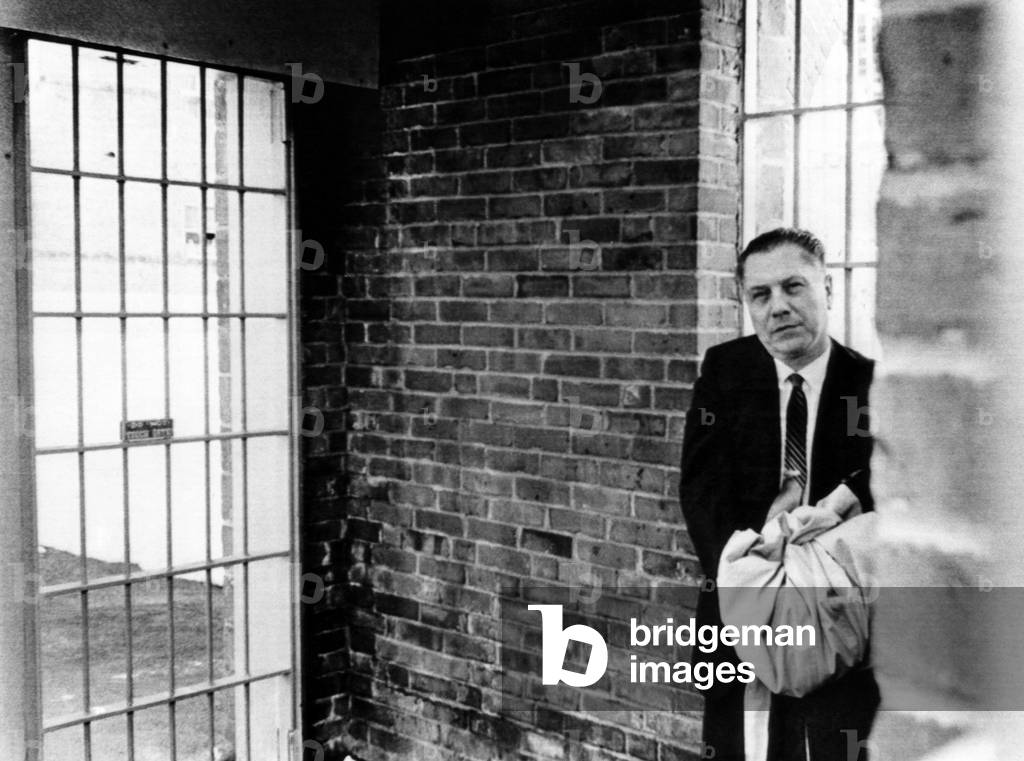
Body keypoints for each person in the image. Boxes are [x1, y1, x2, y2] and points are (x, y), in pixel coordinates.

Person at [679, 228, 880, 761]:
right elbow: (701, 493)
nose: (778, 308)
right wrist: (750, 582)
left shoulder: (869, 386)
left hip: (835, 618)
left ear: (828, 289)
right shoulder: (726, 372)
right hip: (741, 603)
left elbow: (883, 497)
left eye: (794, 287)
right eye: (760, 295)